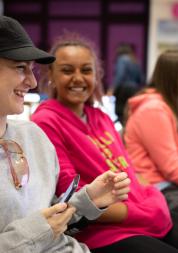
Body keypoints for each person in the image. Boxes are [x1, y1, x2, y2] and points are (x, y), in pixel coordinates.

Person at [31, 32, 178, 253]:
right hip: (99, 229)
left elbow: (129, 169)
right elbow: (70, 195)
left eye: (86, 70)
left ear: (97, 75)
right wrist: (142, 212)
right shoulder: (46, 121)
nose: (78, 78)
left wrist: (150, 200)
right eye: (67, 70)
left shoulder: (101, 118)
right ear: (50, 74)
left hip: (141, 214)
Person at [0, 15, 131, 253]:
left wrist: (87, 200)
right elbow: (42, 227)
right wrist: (39, 230)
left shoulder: (34, 136)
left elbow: (52, 215)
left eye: (32, 70)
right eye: (20, 68)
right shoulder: (48, 121)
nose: (31, 82)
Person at [123, 50, 178, 211]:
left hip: (165, 183)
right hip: (155, 185)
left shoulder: (166, 105)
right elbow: (171, 167)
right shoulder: (153, 110)